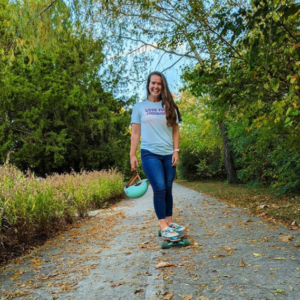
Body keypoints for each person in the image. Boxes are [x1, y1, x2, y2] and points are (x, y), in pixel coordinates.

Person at [130, 71, 185, 239]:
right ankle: (162, 225)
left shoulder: (169, 106)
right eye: (153, 83)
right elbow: (135, 133)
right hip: (149, 153)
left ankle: (169, 222)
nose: (155, 86)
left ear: (163, 86)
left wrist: (176, 150)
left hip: (169, 153)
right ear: (148, 84)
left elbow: (175, 129)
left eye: (159, 84)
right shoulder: (139, 107)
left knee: (168, 188)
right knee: (159, 188)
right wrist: (132, 155)